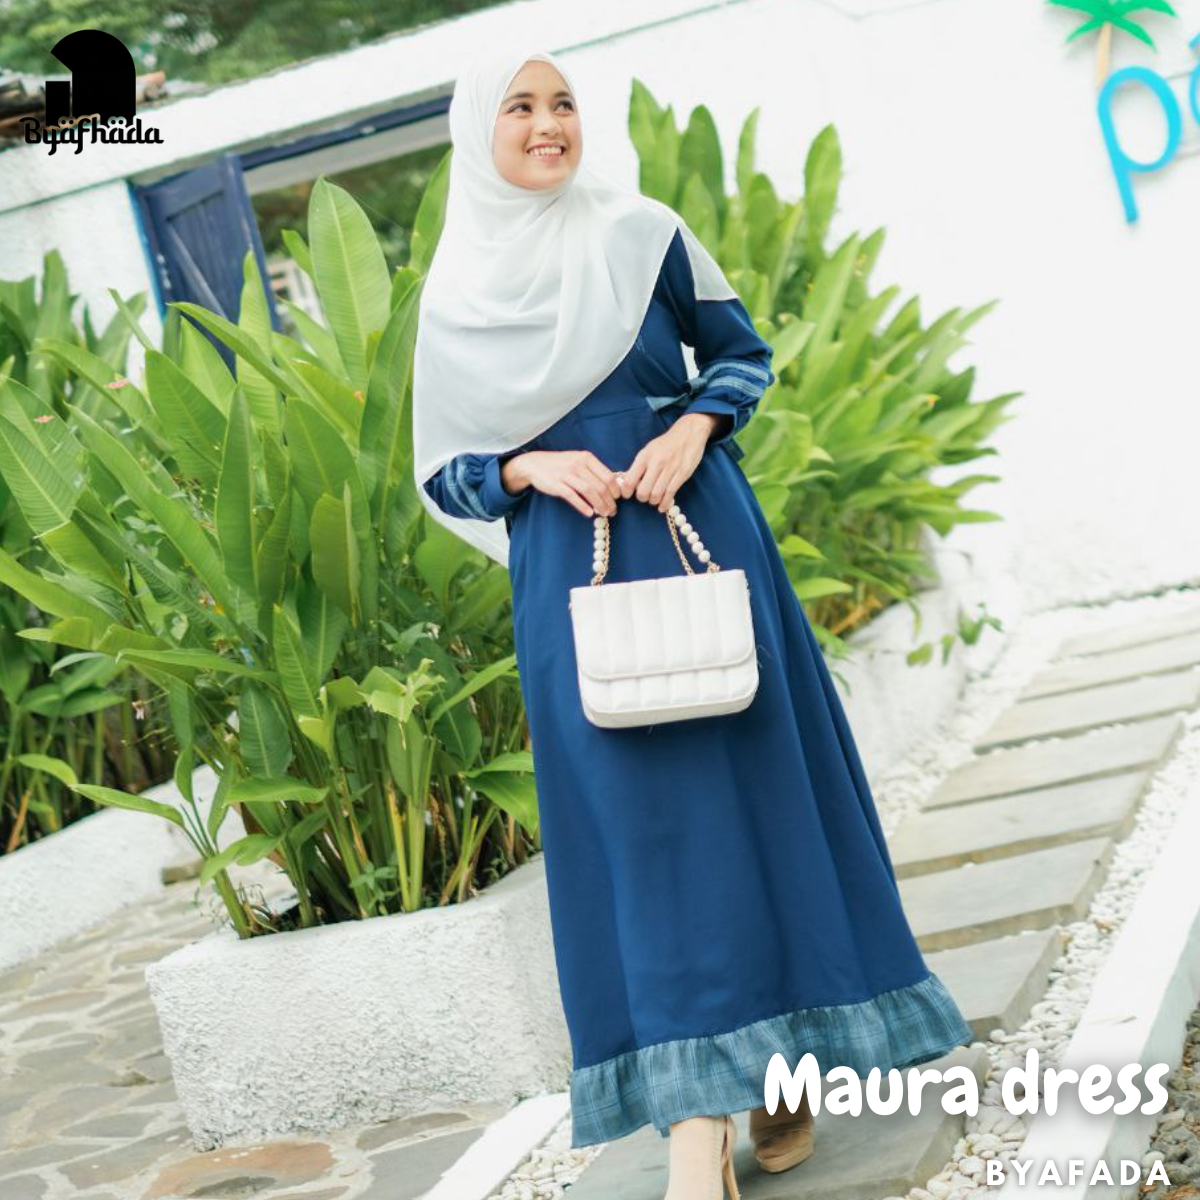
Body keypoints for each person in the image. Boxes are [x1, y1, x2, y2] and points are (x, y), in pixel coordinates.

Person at [412, 45, 974, 1200]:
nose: (548, 124)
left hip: (696, 532)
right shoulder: (456, 293)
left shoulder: (641, 233)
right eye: (519, 107)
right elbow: (442, 472)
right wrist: (522, 467)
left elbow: (741, 356)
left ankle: (772, 1077)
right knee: (643, 833)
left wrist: (692, 427)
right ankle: (696, 1116)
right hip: (574, 572)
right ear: (477, 131)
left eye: (563, 103)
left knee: (755, 801)